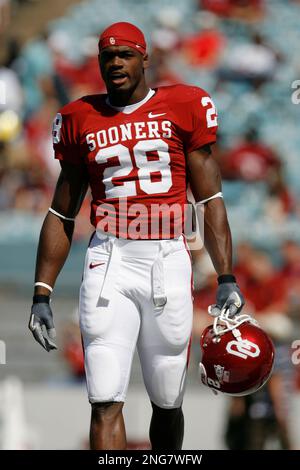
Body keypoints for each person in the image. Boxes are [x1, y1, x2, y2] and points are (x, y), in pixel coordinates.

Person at [28, 21, 244, 450]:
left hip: (168, 257)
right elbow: (61, 211)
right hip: (110, 261)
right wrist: (41, 292)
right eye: (107, 57)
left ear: (145, 59)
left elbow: (210, 199)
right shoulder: (78, 118)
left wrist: (226, 277)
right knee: (104, 399)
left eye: (125, 55)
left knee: (168, 400)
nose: (115, 64)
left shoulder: (183, 105)